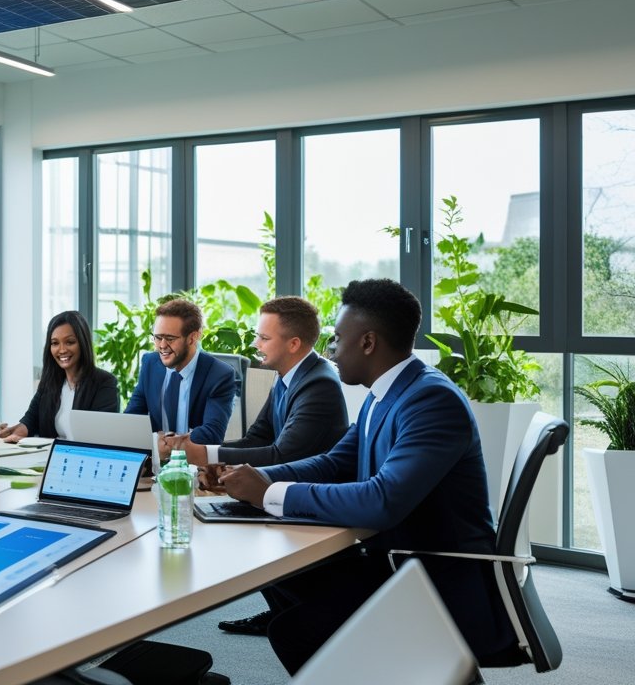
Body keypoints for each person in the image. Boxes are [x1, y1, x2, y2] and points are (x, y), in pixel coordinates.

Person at [218, 279, 517, 674]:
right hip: (395, 558)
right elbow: (332, 462)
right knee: (280, 571)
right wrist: (251, 478)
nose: (331, 350)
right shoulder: (385, 393)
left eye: (338, 339)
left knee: (296, 630)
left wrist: (270, 494)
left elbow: (382, 501)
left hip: (432, 577)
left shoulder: (430, 400)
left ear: (369, 342)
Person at [162, 296, 347, 637]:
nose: (255, 344)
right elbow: (256, 438)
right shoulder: (288, 376)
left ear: (293, 344)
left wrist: (201, 455)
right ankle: (281, 610)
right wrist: (211, 457)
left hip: (310, 505)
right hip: (282, 490)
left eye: (263, 338)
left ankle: (292, 612)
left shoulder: (318, 384)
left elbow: (281, 455)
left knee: (229, 521)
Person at [125, 298, 236, 444]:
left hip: (194, 463)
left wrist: (169, 444)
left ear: (192, 337)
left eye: (170, 338)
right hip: (155, 460)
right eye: (158, 338)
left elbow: (212, 433)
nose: (162, 346)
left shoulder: (219, 374)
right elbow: (132, 419)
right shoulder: (150, 363)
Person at [0, 310, 118, 441]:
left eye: (70, 342)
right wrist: (18, 431)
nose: (62, 350)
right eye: (55, 343)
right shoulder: (50, 382)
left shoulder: (104, 383)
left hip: (84, 457)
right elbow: (31, 418)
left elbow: (102, 434)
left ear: (83, 343)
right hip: (49, 456)